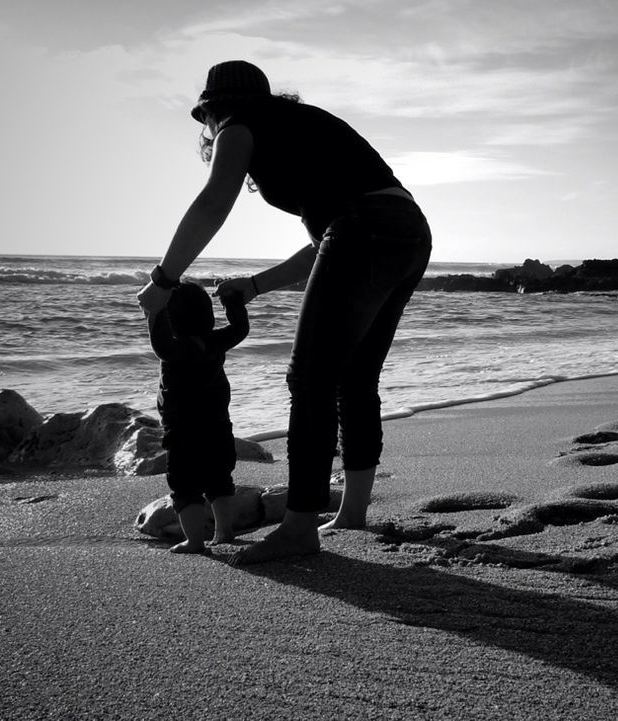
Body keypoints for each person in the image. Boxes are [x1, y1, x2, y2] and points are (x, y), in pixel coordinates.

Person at [136, 60, 432, 563]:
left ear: (213, 108)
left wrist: (163, 280)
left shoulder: (238, 126)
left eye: (205, 118)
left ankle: (299, 528)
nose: (208, 130)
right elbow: (325, 242)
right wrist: (255, 286)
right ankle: (352, 512)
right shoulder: (304, 126)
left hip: (365, 229)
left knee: (311, 380)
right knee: (355, 379)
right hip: (410, 232)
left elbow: (213, 202)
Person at [147, 281, 250, 554]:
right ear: (208, 315)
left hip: (182, 432)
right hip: (217, 426)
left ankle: (194, 541)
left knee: (185, 486)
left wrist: (155, 309)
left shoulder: (173, 350)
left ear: (173, 319)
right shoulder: (216, 342)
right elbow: (241, 328)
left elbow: (158, 341)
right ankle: (224, 531)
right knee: (220, 479)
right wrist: (232, 302)